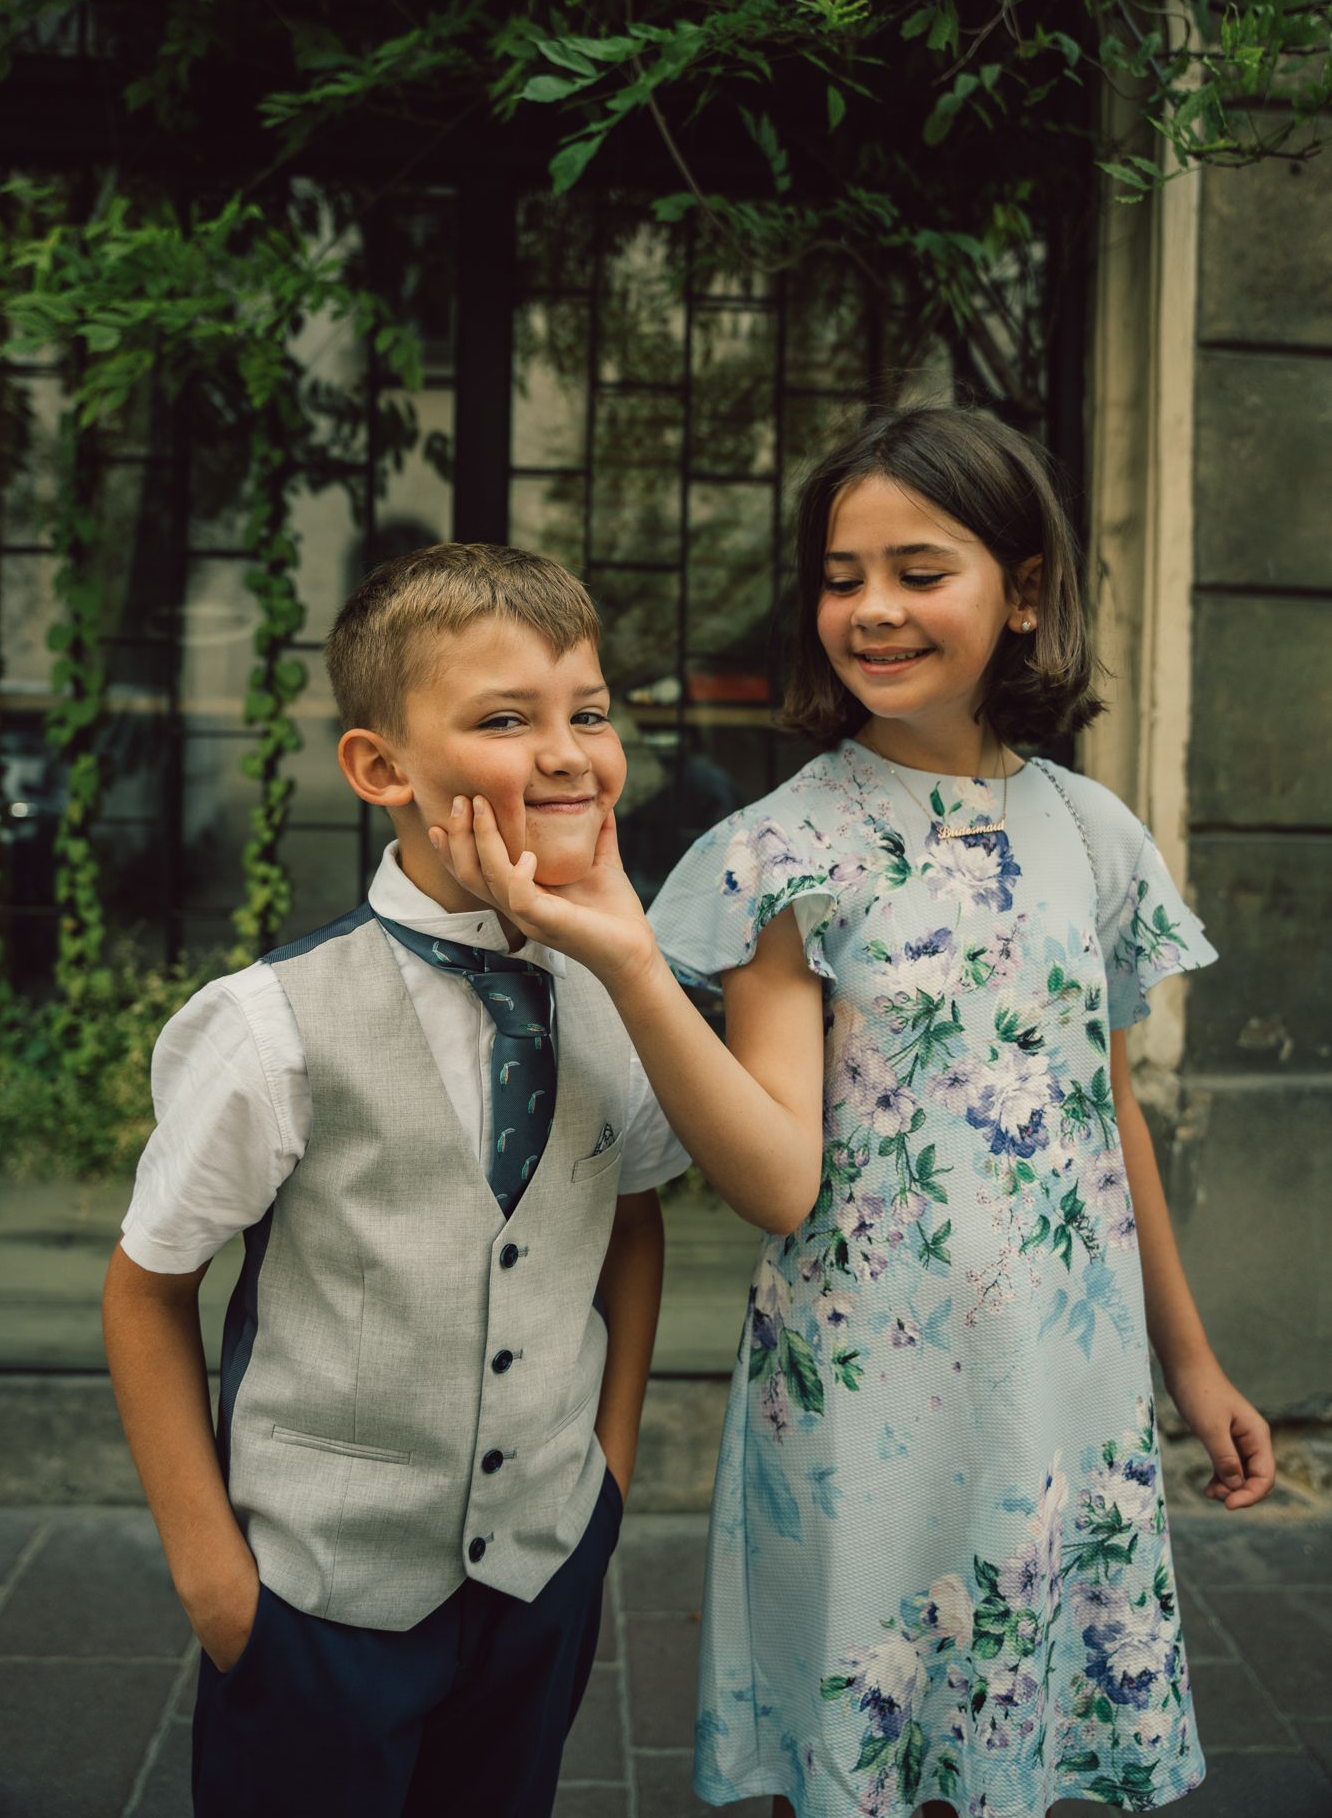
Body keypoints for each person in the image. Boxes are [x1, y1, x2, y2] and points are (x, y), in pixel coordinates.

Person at [431, 409, 1275, 1818]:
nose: (870, 608)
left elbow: (1106, 1118)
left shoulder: (1093, 834)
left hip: (1065, 1393)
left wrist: (1190, 1366)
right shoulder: (787, 849)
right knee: (867, 1767)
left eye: (916, 568)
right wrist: (631, 960)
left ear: (1022, 591)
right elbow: (774, 1184)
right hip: (865, 1391)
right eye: (840, 574)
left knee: (1018, 1749)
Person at [102, 543, 687, 1818]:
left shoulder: (619, 992)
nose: (568, 750)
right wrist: (217, 1578)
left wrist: (609, 1468)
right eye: (503, 717)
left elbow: (629, 1223)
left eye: (587, 710)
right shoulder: (272, 1023)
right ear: (380, 767)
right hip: (318, 1595)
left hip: (541, 1571)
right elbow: (146, 1289)